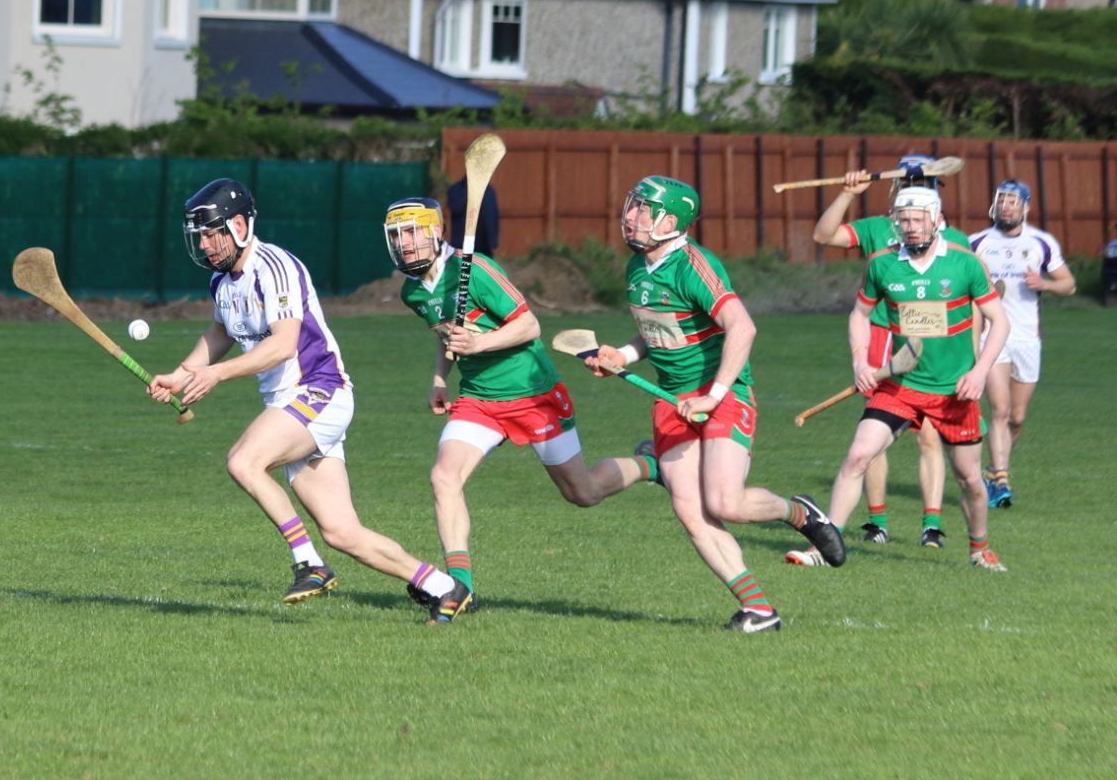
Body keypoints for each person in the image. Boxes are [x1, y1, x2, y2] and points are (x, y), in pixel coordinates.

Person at [147, 179, 471, 624]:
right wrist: (180, 375)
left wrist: (215, 375)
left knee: (244, 461)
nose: (204, 243)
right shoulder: (222, 282)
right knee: (342, 531)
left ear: (239, 225)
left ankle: (308, 562)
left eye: (211, 232)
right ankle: (443, 587)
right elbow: (220, 333)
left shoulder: (274, 266)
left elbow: (283, 345)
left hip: (320, 390)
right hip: (291, 405)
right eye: (198, 235)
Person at [585, 176, 845, 633]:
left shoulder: (692, 265)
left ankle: (800, 513)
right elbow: (658, 334)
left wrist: (713, 396)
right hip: (671, 401)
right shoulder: (637, 268)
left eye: (644, 210)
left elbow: (742, 328)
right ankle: (760, 610)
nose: (631, 216)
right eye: (632, 206)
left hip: (722, 393)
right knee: (690, 511)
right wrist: (621, 357)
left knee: (726, 503)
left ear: (671, 222)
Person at [383, 197, 659, 609]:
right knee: (444, 477)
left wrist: (479, 343)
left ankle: (650, 465)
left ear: (435, 232)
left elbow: (530, 326)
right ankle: (459, 587)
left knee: (581, 492)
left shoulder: (474, 271)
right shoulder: (412, 291)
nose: (405, 244)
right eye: (396, 236)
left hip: (532, 394)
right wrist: (441, 379)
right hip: (479, 400)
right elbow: (446, 334)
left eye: (412, 232)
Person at [791, 154, 971, 560]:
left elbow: (974, 305)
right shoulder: (878, 229)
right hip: (885, 345)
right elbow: (824, 235)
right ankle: (876, 523)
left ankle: (931, 524)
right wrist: (846, 193)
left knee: (928, 439)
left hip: (939, 356)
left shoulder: (955, 242)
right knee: (871, 443)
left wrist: (973, 362)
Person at [822, 186, 1010, 571]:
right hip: (901, 385)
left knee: (972, 479)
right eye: (903, 220)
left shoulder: (964, 264)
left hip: (953, 391)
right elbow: (859, 315)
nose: (909, 227)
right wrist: (860, 361)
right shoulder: (881, 263)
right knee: (858, 455)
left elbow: (1000, 321)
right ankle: (827, 544)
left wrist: (978, 372)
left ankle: (979, 547)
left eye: (917, 219)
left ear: (936, 220)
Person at [971, 180, 1075, 507]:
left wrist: (1043, 282)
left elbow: (1069, 285)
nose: (1006, 206)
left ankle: (993, 471)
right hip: (992, 336)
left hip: (1027, 338)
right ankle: (1001, 479)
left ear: (1025, 207)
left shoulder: (1041, 243)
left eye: (1013, 201)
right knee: (999, 409)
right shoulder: (978, 243)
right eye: (1001, 200)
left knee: (1016, 416)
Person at [447, 178, 500, 257]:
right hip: (461, 245)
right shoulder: (456, 189)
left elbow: (491, 215)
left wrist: (493, 239)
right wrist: (470, 190)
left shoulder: (488, 191)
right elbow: (456, 208)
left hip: (482, 247)